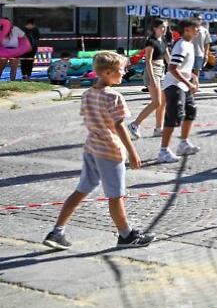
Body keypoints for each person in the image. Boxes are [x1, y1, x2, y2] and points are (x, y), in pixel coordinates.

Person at [43, 51, 155, 250]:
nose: (124, 72)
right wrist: (132, 151)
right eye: (121, 70)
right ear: (108, 72)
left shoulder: (87, 94)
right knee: (116, 195)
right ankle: (126, 235)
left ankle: (57, 231)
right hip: (110, 151)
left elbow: (89, 119)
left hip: (91, 148)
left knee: (81, 190)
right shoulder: (114, 96)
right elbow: (119, 126)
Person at [159, 19, 201, 163]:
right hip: (174, 86)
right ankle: (163, 151)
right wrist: (188, 83)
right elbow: (172, 68)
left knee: (191, 112)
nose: (198, 30)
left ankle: (183, 143)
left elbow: (183, 67)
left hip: (183, 84)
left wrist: (193, 76)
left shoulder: (189, 44)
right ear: (187, 29)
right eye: (196, 28)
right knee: (174, 116)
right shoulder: (182, 45)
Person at [129, 19, 169, 139]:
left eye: (165, 27)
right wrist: (152, 78)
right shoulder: (151, 42)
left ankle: (158, 129)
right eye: (162, 27)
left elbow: (168, 58)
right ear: (155, 28)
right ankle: (134, 124)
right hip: (153, 71)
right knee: (156, 102)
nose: (164, 29)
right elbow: (148, 62)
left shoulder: (164, 41)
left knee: (163, 103)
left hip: (161, 70)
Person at [191, 17, 212, 82]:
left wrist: (206, 54)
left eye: (200, 19)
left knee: (197, 70)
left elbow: (207, 43)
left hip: (199, 53)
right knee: (188, 70)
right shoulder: (189, 29)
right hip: (189, 53)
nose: (198, 21)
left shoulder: (204, 30)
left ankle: (195, 84)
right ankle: (188, 85)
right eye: (197, 19)